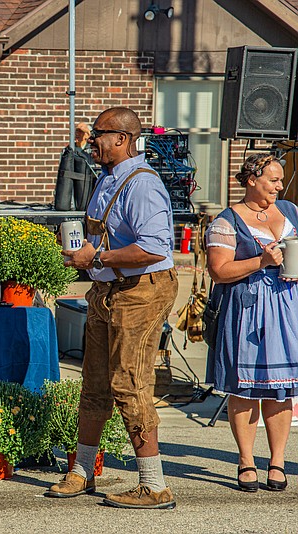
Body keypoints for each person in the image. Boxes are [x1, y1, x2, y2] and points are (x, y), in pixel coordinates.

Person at [50, 107, 179, 509]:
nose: (93, 141)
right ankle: (83, 471)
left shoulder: (142, 185)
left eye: (100, 135)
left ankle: (154, 485)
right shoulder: (109, 177)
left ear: (122, 139)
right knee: (95, 382)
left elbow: (155, 247)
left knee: (130, 382)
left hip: (140, 291)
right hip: (109, 291)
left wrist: (97, 258)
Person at [205, 153, 298, 492]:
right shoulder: (227, 221)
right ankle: (246, 460)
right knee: (244, 388)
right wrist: (260, 260)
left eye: (280, 179)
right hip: (247, 308)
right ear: (251, 180)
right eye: (272, 179)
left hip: (288, 307)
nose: (278, 185)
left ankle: (277, 461)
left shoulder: (290, 212)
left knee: (280, 387)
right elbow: (219, 271)